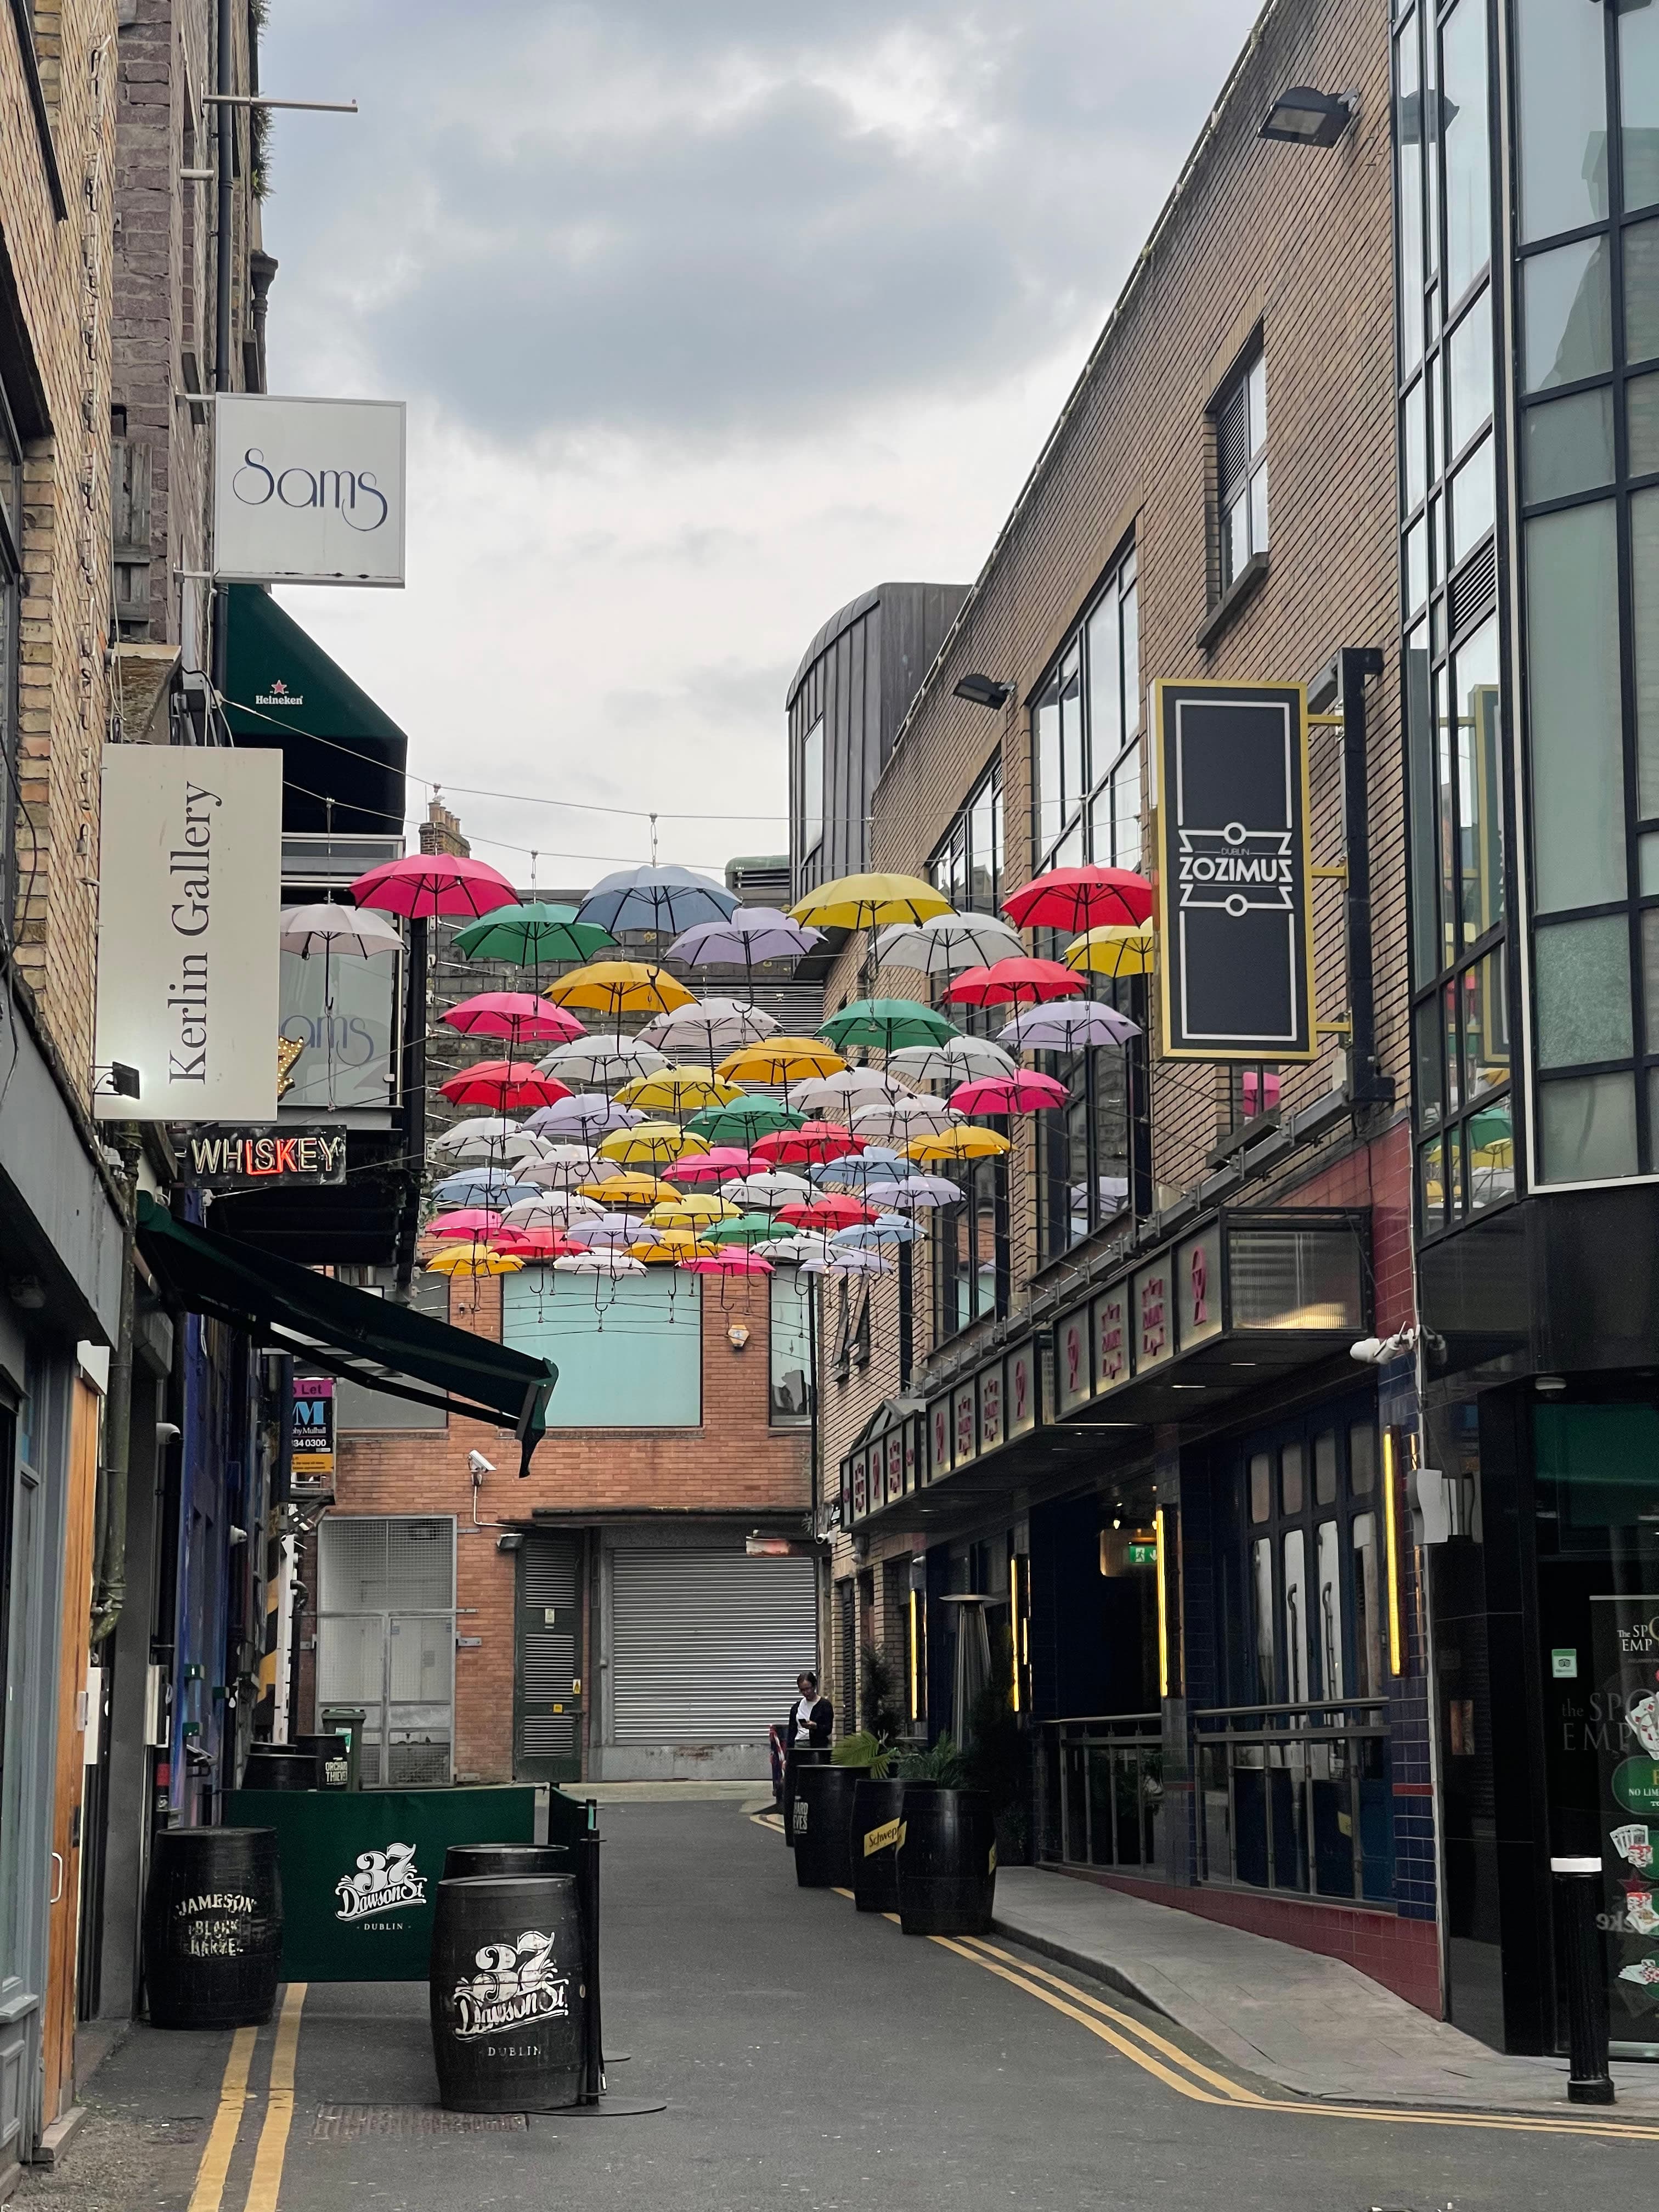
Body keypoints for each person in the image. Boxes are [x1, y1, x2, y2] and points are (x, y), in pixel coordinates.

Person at [769, 1670, 833, 1802]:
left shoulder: (825, 1706)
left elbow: (828, 1729)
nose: (806, 1692)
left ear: (814, 1686)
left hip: (817, 1747)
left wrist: (815, 1727)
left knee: (817, 1778)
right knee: (799, 1779)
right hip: (799, 1746)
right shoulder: (796, 1708)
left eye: (808, 1689)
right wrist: (787, 1757)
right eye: (802, 1690)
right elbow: (792, 1732)